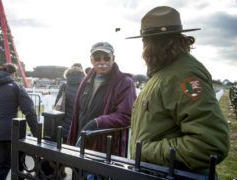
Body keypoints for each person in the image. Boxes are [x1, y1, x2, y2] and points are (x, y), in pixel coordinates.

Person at [127, 6, 230, 173]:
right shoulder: (165, 72)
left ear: (151, 43)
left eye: (145, 41)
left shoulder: (184, 75)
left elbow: (210, 144)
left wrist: (143, 151)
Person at [67, 42, 136, 156]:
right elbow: (78, 113)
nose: (102, 62)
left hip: (106, 149)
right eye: (97, 58)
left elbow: (127, 115)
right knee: (79, 173)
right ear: (92, 60)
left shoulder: (124, 82)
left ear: (113, 59)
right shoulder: (86, 81)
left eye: (106, 58)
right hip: (82, 142)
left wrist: (97, 123)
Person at [54, 63, 85, 141]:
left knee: (65, 148)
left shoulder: (64, 86)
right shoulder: (86, 86)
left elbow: (57, 104)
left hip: (65, 123)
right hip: (80, 124)